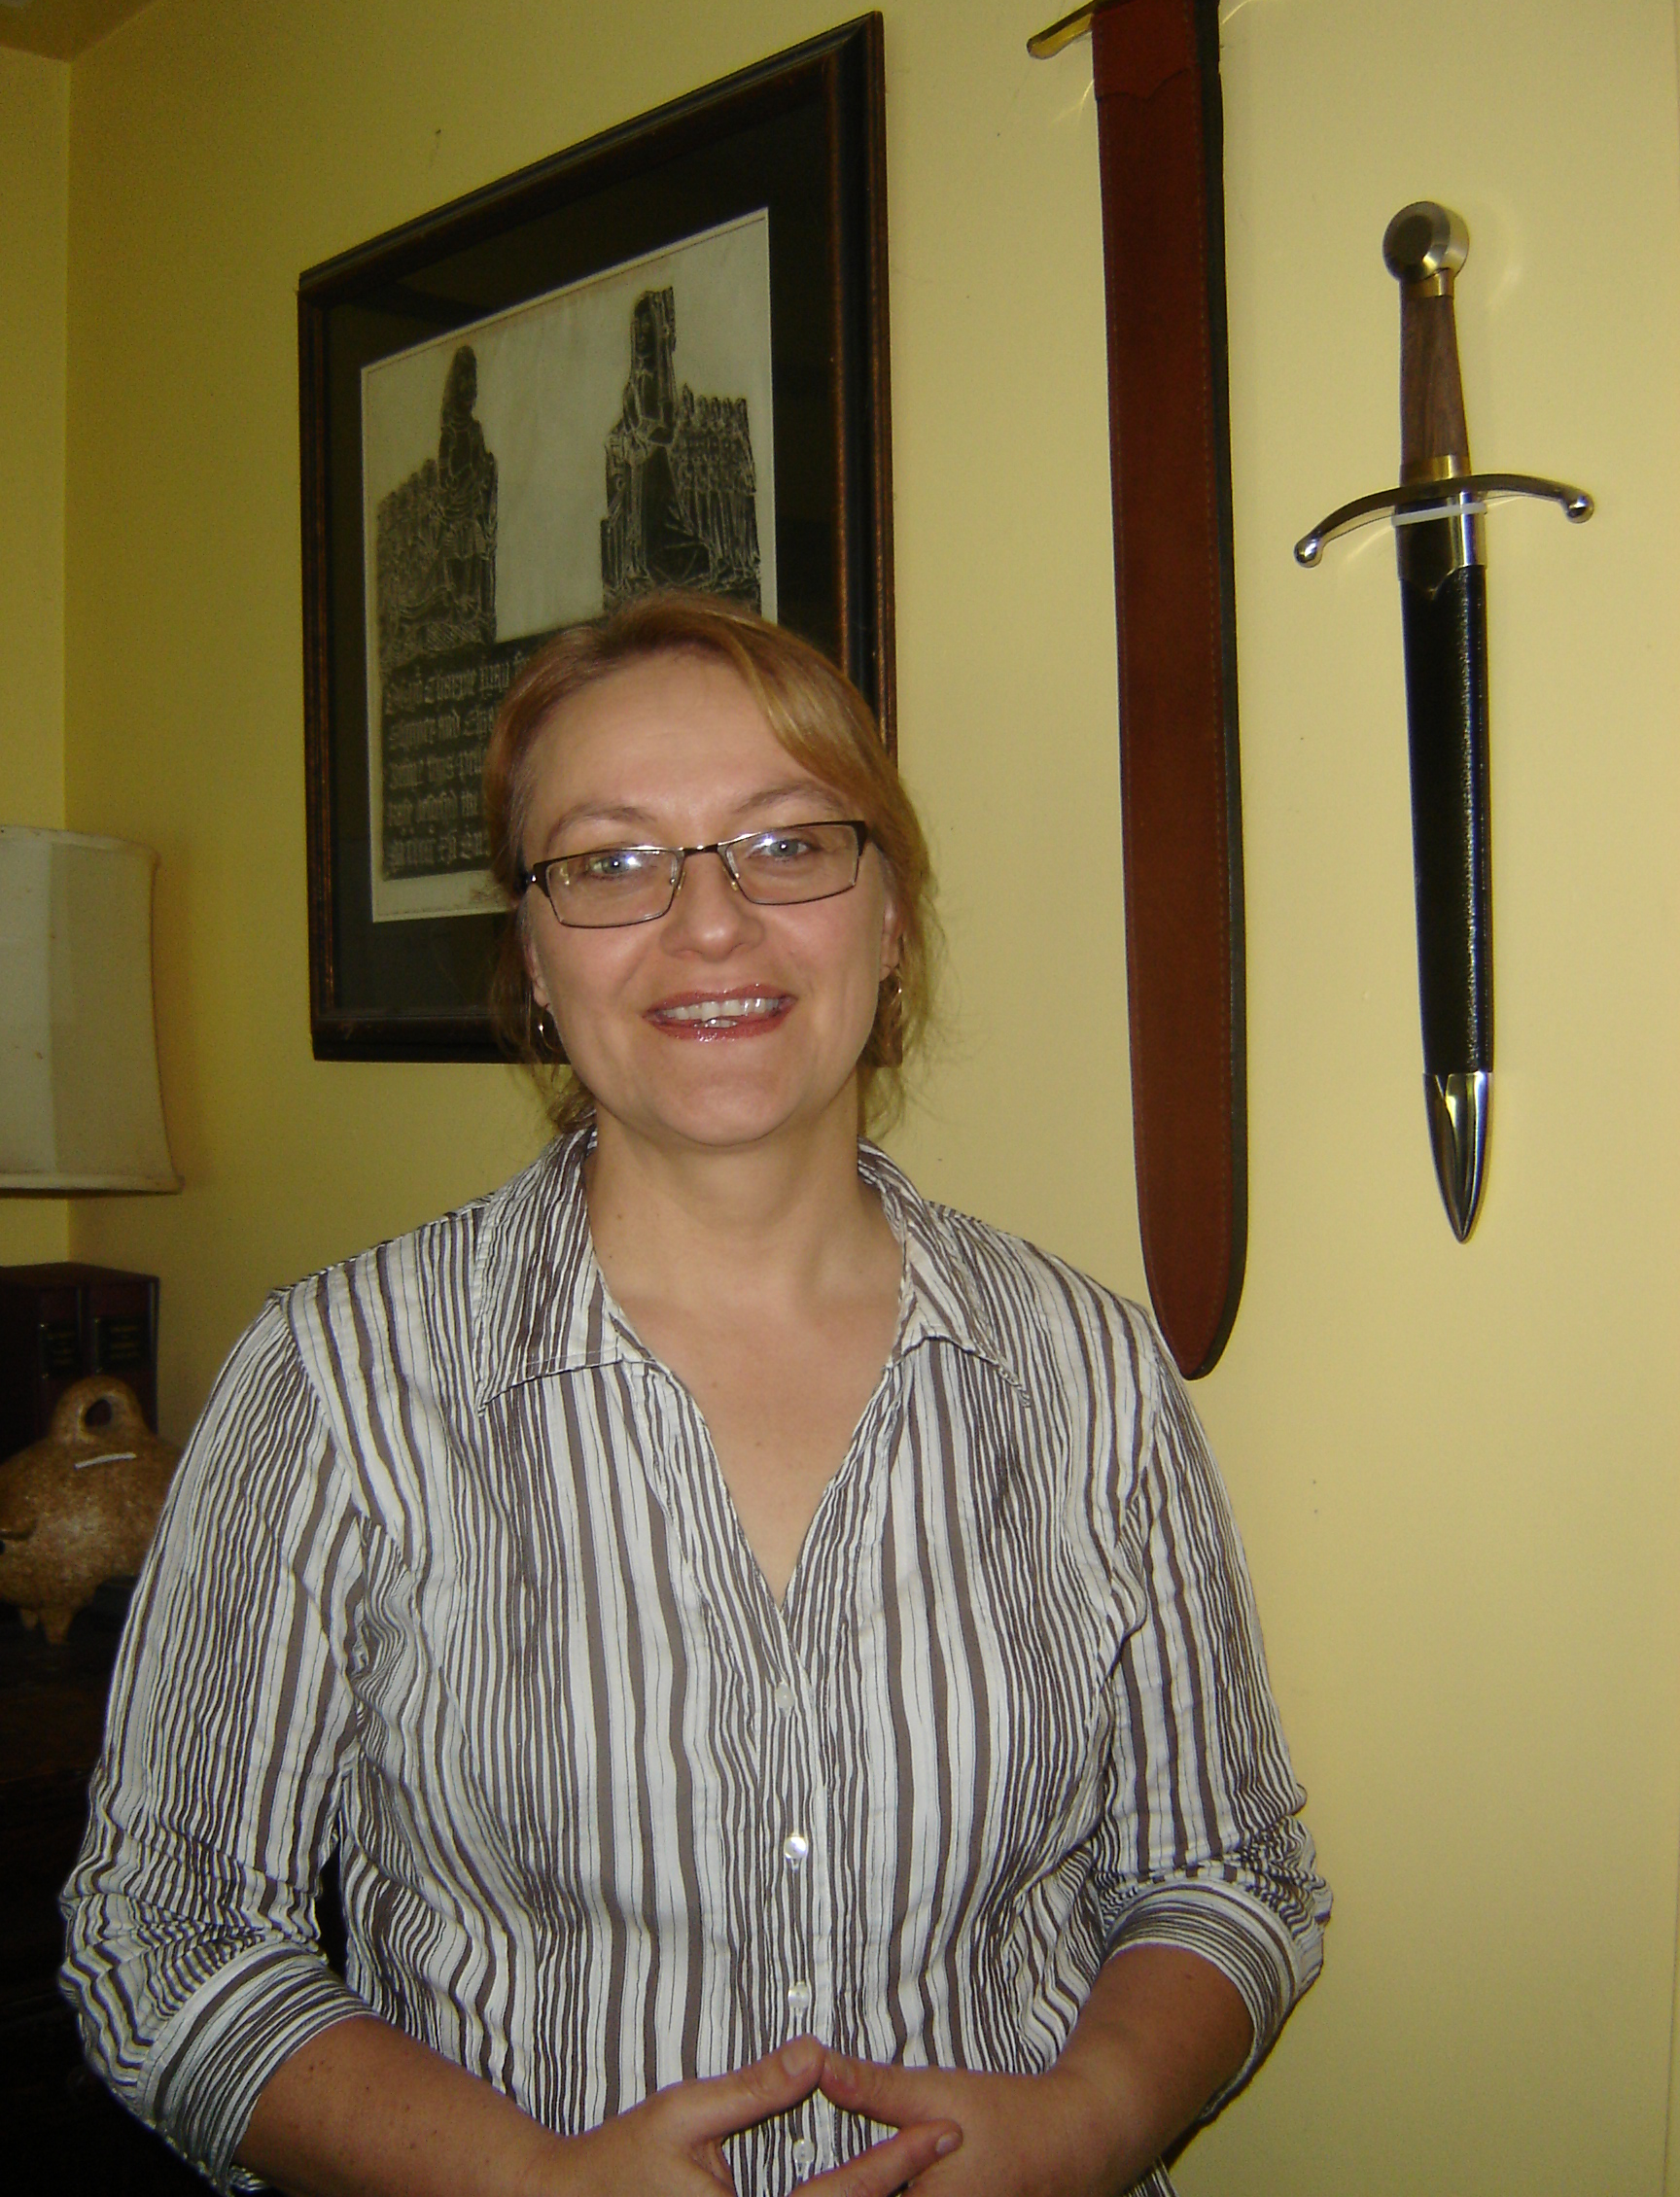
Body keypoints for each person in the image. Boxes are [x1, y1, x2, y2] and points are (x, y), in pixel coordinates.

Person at [61, 594, 1328, 2197]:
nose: (712, 924)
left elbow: (1229, 1868)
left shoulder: (1087, 1372)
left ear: (891, 918)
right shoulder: (336, 1383)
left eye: (788, 843)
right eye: (610, 862)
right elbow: (161, 1934)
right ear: (533, 956)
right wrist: (525, 2184)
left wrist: (1094, 2121)